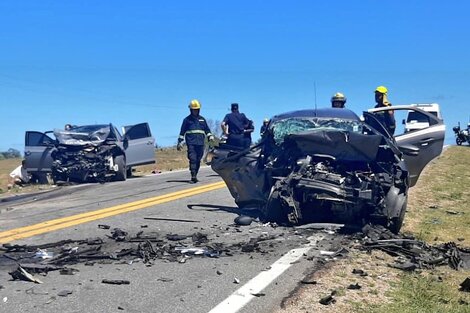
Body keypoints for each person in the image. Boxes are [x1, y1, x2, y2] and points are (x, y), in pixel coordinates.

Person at [177, 99, 214, 183]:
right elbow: (182, 132)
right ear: (191, 110)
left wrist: (210, 137)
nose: (195, 111)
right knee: (192, 159)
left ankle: (195, 174)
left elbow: (207, 130)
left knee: (198, 159)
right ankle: (193, 175)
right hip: (191, 142)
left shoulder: (202, 119)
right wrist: (179, 142)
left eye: (197, 109)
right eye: (194, 110)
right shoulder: (187, 120)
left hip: (201, 143)